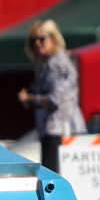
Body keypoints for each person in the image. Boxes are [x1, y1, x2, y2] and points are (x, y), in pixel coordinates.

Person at [18, 19, 85, 173]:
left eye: (42, 39)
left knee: (53, 179)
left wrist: (30, 99)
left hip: (59, 131)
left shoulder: (55, 63)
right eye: (34, 40)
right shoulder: (51, 62)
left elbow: (56, 99)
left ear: (54, 39)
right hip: (60, 131)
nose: (37, 43)